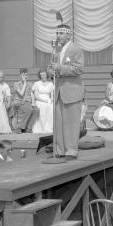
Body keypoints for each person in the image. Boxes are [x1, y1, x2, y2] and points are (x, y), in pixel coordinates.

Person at [50, 23, 84, 161]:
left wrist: (60, 68)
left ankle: (71, 151)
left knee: (71, 123)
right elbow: (53, 67)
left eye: (61, 33)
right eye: (57, 33)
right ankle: (60, 149)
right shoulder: (56, 50)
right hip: (59, 90)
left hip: (71, 90)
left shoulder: (76, 49)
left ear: (69, 34)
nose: (58, 36)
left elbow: (79, 69)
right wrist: (50, 70)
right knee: (59, 123)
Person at [10, 68, 38, 133]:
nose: (24, 77)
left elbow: (32, 94)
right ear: (20, 75)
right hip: (19, 102)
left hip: (27, 102)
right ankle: (19, 127)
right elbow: (21, 94)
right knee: (29, 109)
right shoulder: (16, 84)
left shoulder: (30, 84)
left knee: (36, 110)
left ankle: (28, 127)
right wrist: (25, 84)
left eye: (26, 75)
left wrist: (33, 103)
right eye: (23, 75)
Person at [32, 68, 54, 134]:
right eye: (41, 75)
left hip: (48, 100)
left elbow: (52, 95)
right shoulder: (37, 83)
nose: (42, 76)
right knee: (42, 106)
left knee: (51, 107)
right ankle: (42, 127)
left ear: (47, 75)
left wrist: (51, 100)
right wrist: (44, 101)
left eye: (44, 75)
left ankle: (49, 127)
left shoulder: (50, 84)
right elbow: (36, 96)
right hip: (39, 100)